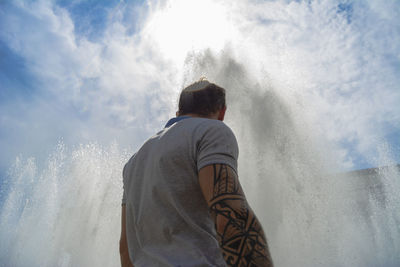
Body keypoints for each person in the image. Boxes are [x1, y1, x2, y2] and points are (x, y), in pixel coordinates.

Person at [120, 79, 273, 266]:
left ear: (178, 112)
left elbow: (125, 248)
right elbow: (230, 214)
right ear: (222, 112)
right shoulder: (211, 130)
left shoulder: (133, 163)